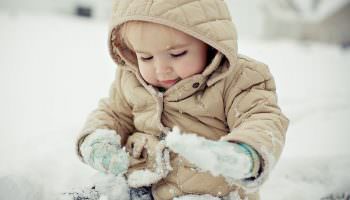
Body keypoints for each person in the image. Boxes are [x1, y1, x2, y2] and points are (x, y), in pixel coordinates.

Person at [75, 0, 289, 200]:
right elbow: (113, 113)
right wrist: (97, 138)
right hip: (137, 185)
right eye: (145, 57)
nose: (160, 69)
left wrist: (243, 154)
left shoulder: (239, 78)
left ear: (209, 41)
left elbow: (261, 118)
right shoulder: (131, 78)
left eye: (177, 54)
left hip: (210, 193)